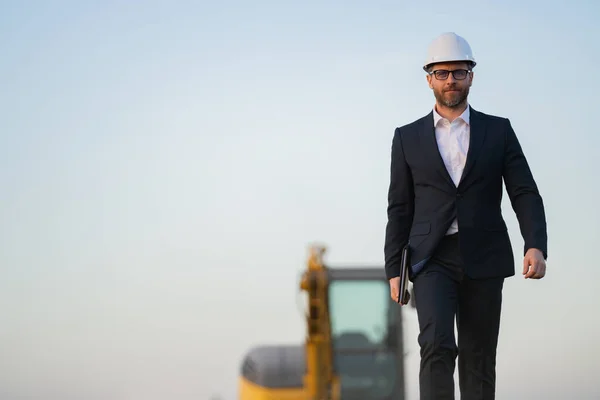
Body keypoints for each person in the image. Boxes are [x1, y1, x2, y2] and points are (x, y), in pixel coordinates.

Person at [383, 32, 548, 400]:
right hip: (431, 257)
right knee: (437, 344)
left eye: (458, 72)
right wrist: (395, 268)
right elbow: (399, 208)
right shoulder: (407, 138)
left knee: (478, 358)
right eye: (441, 73)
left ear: (471, 75)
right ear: (429, 79)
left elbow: (523, 191)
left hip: (485, 255)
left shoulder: (499, 130)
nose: (450, 81)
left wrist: (535, 244)